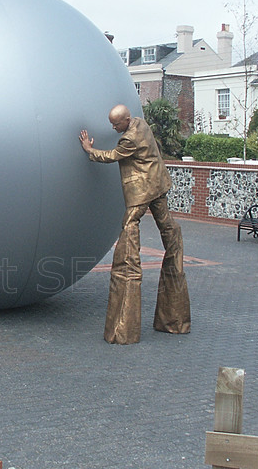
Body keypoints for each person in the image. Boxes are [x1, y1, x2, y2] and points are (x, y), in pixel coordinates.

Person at [79, 104, 190, 344]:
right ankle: (175, 319)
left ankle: (124, 328)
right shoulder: (141, 123)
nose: (113, 127)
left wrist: (89, 149)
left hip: (142, 192)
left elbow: (111, 157)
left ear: (126, 120)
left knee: (129, 226)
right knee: (169, 229)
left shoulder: (128, 140)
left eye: (116, 124)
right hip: (158, 184)